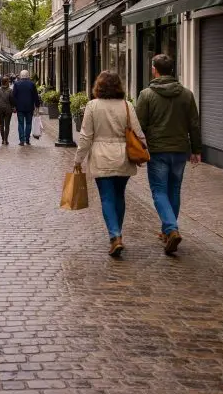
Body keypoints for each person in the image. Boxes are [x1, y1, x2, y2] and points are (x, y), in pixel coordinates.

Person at [74, 71, 147, 257]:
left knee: (107, 197)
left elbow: (86, 136)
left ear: (98, 87)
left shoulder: (92, 106)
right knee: (119, 195)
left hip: (101, 157)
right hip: (123, 156)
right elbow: (138, 132)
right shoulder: (127, 105)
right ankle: (117, 233)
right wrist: (142, 152)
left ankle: (115, 236)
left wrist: (78, 159)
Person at [136, 54, 201, 255]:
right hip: (180, 150)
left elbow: (140, 125)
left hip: (158, 150)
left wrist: (140, 149)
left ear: (155, 69)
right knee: (174, 190)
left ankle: (171, 229)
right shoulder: (187, 94)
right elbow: (194, 124)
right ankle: (167, 231)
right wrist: (196, 149)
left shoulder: (146, 95)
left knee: (159, 191)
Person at [11, 69, 41, 146]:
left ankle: (21, 140)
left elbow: (13, 96)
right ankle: (27, 139)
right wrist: (37, 106)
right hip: (29, 107)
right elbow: (35, 96)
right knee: (28, 123)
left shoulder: (17, 84)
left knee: (20, 123)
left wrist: (14, 106)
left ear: (21, 76)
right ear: (28, 76)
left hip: (19, 107)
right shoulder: (32, 84)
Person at [0, 76, 15, 145]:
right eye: (8, 81)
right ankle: (6, 139)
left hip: (0, 109)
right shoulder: (10, 90)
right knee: (7, 125)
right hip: (8, 109)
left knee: (2, 125)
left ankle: (3, 139)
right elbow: (12, 101)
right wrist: (14, 107)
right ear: (7, 82)